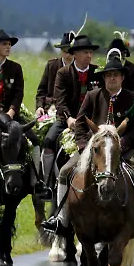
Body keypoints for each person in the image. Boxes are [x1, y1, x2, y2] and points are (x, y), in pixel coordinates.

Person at [42, 54, 134, 235]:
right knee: (65, 171)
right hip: (94, 150)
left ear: (122, 77)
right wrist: (83, 146)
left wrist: (123, 144)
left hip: (124, 149)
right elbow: (80, 123)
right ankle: (61, 218)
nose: (112, 78)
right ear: (103, 78)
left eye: (116, 75)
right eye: (109, 75)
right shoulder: (92, 96)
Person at [0, 29, 50, 197]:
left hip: (10, 117)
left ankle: (36, 182)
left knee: (33, 140)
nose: (8, 47)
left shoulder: (15, 68)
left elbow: (18, 93)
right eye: (4, 44)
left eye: (9, 44)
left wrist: (11, 112)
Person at [39, 35, 98, 192]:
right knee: (48, 141)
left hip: (91, 121)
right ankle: (46, 183)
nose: (89, 56)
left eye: (91, 52)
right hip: (67, 119)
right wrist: (69, 118)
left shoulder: (97, 72)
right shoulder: (63, 73)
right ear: (76, 54)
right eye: (86, 52)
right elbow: (60, 100)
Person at [35, 32, 75, 117]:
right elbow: (41, 91)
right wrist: (39, 107)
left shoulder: (79, 67)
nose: (67, 55)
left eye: (71, 52)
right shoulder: (52, 65)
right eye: (65, 52)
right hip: (49, 109)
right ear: (61, 51)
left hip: (72, 112)